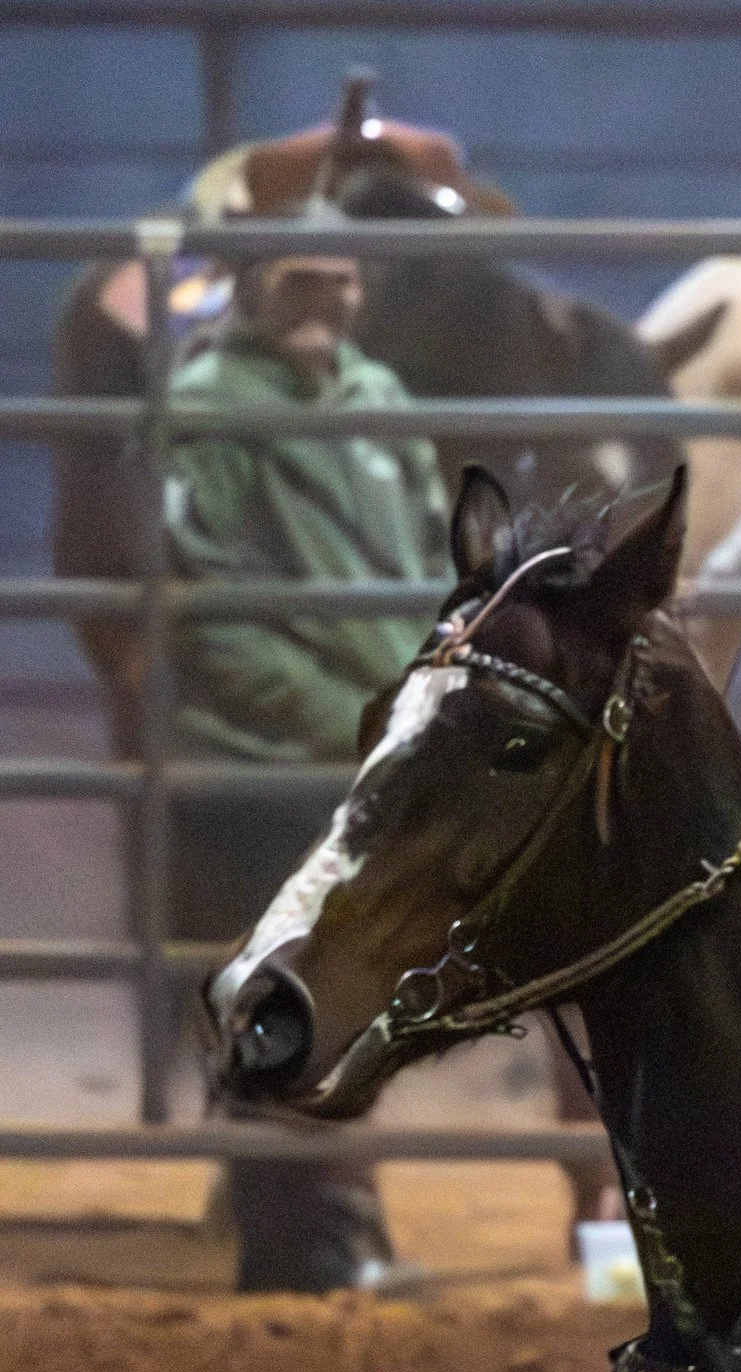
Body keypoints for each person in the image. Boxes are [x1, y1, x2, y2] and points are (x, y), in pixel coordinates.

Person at [163, 208, 449, 1291]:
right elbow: (207, 612)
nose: (323, 296)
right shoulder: (204, 409)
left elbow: (431, 564)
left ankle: (329, 1238)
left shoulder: (378, 400)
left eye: (340, 277)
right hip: (264, 762)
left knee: (342, 995)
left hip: (367, 758)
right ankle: (294, 1257)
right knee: (276, 996)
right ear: (245, 281)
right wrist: (358, 720)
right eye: (299, 277)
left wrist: (411, 711)